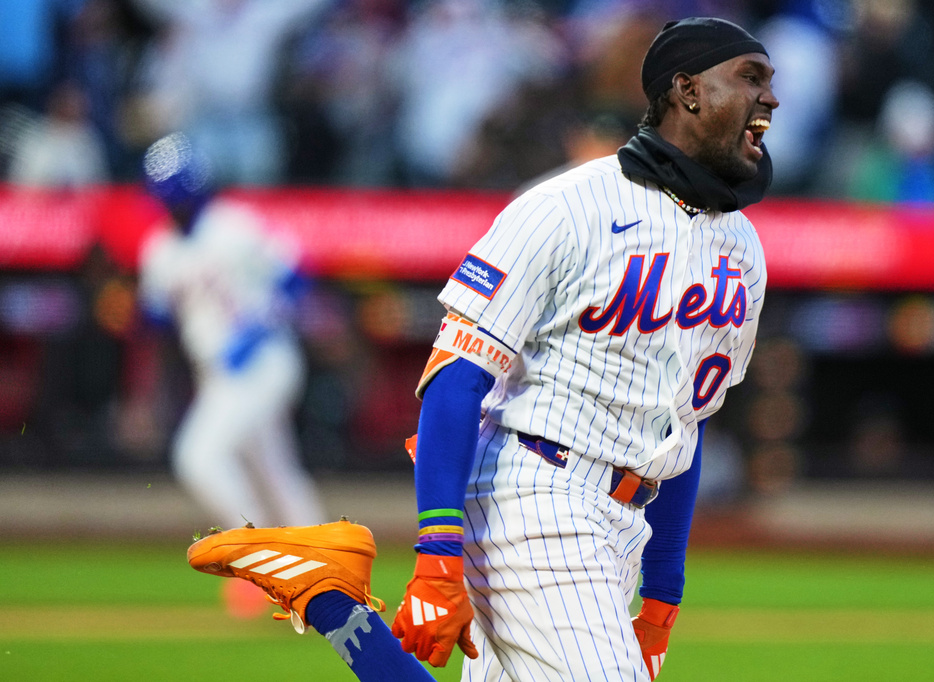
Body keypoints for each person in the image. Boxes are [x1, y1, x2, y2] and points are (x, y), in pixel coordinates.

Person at [186, 16, 778, 681]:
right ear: (688, 91)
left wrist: (663, 596)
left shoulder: (743, 250)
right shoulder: (565, 207)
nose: (772, 99)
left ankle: (330, 598)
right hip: (536, 499)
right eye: (751, 78)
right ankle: (328, 594)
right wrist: (437, 550)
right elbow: (455, 378)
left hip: (622, 524)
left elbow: (684, 430)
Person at [138, 132, 326, 531]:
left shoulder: (233, 225)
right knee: (275, 472)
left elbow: (296, 276)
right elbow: (156, 319)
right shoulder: (158, 250)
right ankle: (328, 563)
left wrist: (259, 328)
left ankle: (253, 544)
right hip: (214, 371)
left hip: (264, 360)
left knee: (197, 456)